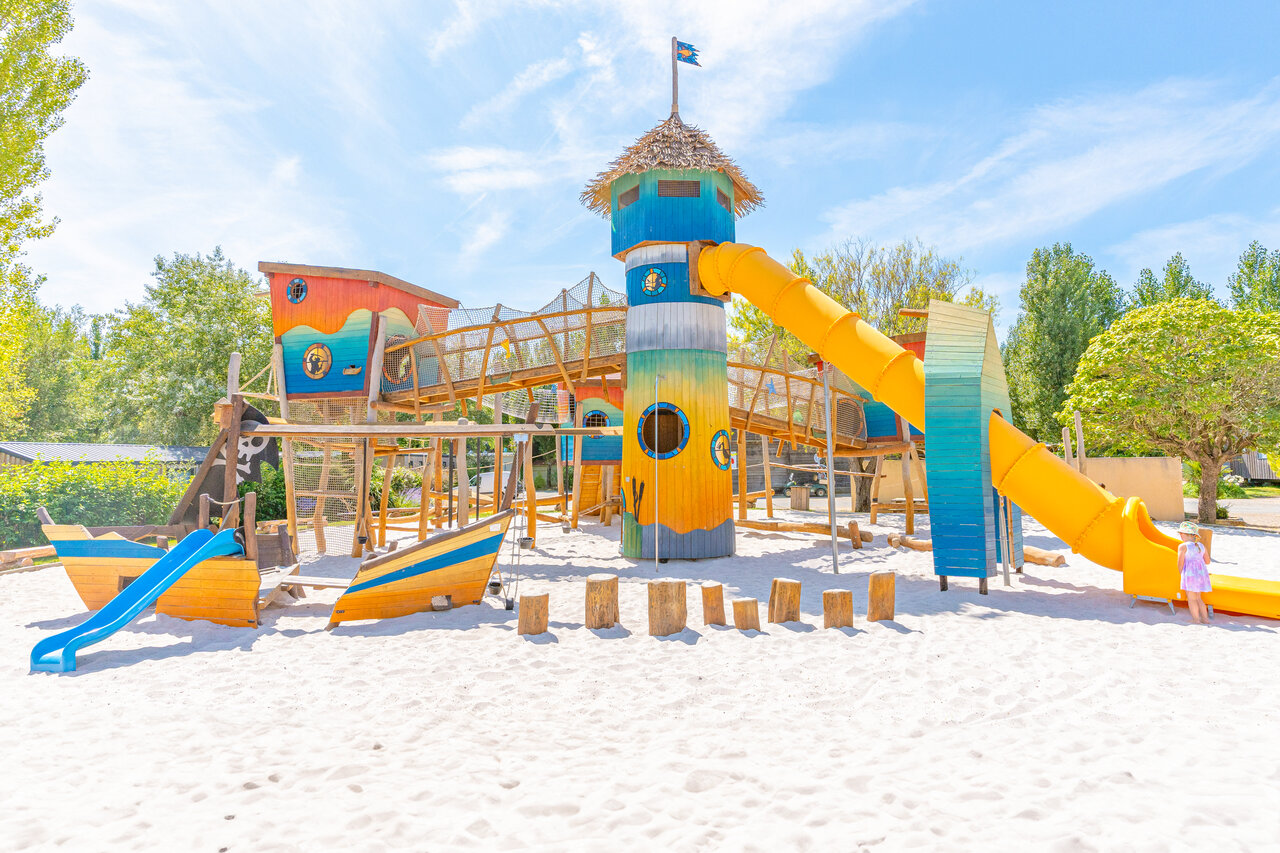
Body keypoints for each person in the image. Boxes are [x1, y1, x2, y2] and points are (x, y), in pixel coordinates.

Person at [1176, 521, 1212, 623]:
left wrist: (1181, 574)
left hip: (1190, 576)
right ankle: (1205, 619)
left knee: (1191, 599)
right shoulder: (1201, 546)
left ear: (1182, 534)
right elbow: (1207, 561)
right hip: (1201, 576)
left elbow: (1180, 563)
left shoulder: (1183, 546)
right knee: (1199, 598)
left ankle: (1196, 619)